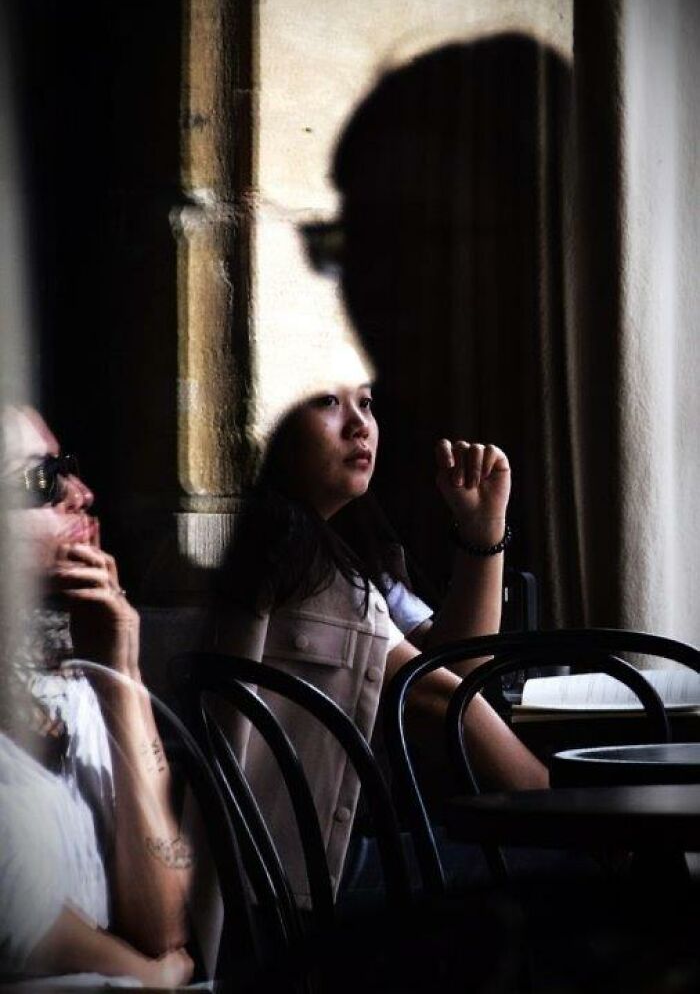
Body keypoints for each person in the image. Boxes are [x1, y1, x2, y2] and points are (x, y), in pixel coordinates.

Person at [212, 382, 548, 903]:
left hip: (312, 854)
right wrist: (566, 810)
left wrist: (482, 532)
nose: (359, 424)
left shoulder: (346, 549)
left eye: (365, 404)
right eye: (327, 402)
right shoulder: (285, 550)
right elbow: (441, 699)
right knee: (571, 860)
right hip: (307, 873)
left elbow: (456, 671)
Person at [0, 405, 193, 985]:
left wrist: (122, 675)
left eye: (67, 469)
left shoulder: (73, 668)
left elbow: (164, 920)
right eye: (40, 482)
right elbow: (19, 924)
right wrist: (150, 977)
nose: (80, 494)